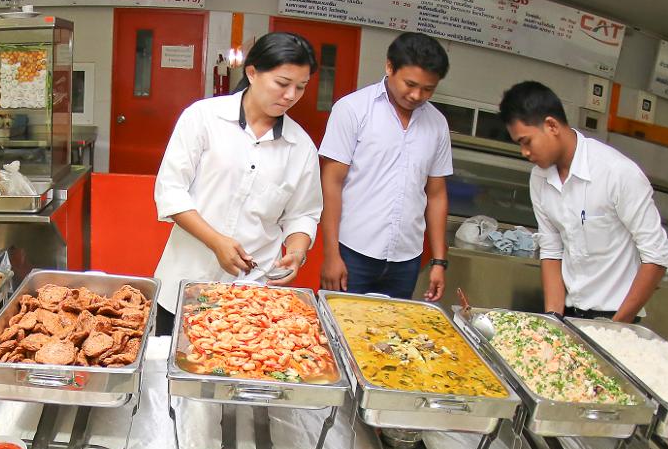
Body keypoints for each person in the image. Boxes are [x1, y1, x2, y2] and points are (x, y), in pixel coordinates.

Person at [152, 32, 323, 333]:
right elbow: (171, 191)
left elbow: (303, 214)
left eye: (300, 87)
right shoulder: (203, 118)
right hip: (184, 282)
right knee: (171, 360)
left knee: (244, 358)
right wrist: (216, 242)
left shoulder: (301, 147)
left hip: (253, 294)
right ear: (252, 72)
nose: (290, 95)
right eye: (282, 83)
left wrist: (297, 251)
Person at [498, 81, 668, 321]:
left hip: (618, 316)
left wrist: (616, 327)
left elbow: (657, 256)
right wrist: (553, 320)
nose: (524, 152)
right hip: (570, 313)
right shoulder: (539, 178)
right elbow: (551, 250)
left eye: (526, 141)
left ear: (551, 126)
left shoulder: (617, 172)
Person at [318, 32, 454, 301]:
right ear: (389, 67)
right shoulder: (353, 109)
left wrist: (439, 261)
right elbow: (331, 183)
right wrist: (331, 254)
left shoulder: (437, 124)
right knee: (339, 321)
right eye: (410, 84)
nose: (416, 95)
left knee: (393, 326)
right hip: (353, 251)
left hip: (407, 259)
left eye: (428, 89)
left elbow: (436, 194)